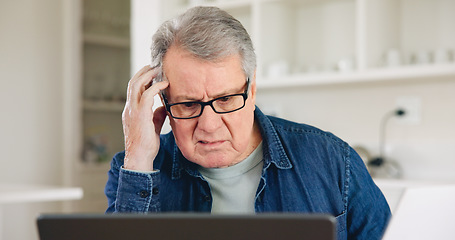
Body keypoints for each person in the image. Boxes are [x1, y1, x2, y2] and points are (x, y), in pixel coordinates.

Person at [105, 6, 391, 239]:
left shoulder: (334, 161)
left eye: (226, 100)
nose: (209, 125)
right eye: (189, 104)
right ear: (164, 105)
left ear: (251, 90)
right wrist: (139, 157)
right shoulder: (132, 170)